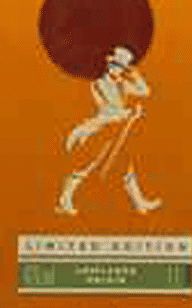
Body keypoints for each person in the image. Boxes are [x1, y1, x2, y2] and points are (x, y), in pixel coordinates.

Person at [56, 45, 156, 215]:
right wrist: (130, 113)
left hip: (119, 129)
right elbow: (109, 109)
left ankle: (139, 203)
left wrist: (135, 75)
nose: (117, 70)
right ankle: (65, 200)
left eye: (121, 67)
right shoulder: (99, 83)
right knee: (88, 163)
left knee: (127, 166)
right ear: (109, 65)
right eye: (115, 65)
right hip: (103, 129)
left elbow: (145, 92)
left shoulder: (122, 83)